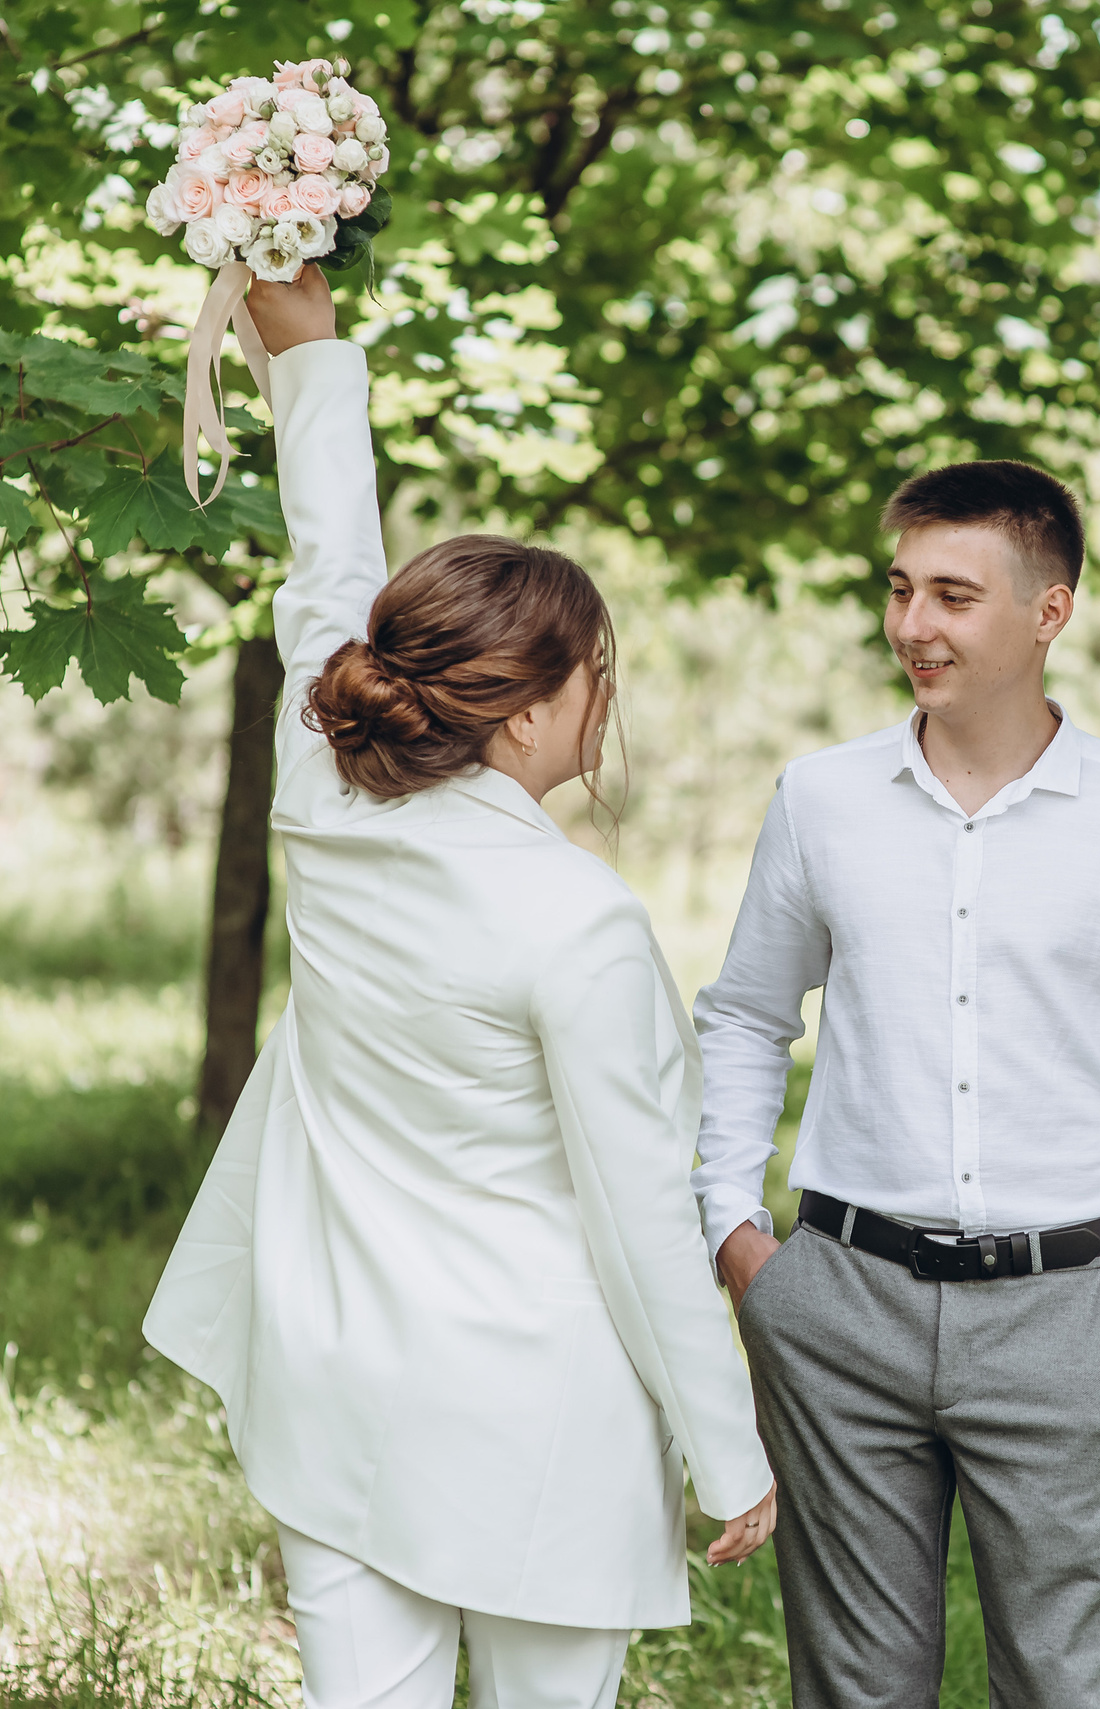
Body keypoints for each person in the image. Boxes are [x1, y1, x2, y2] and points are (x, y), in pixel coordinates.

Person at [143, 265, 778, 1709]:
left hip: (332, 1380)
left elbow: (327, 583)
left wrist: (309, 355)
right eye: (597, 672)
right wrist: (726, 1448)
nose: (606, 697)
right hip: (533, 1421)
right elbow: (639, 1218)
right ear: (534, 709)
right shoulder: (580, 920)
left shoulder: (321, 800)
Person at [691, 460, 1100, 1709]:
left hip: (1065, 1318)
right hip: (838, 1304)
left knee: (1067, 1690)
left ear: (1050, 610)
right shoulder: (821, 798)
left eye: (953, 595)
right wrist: (735, 1232)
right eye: (900, 589)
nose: (913, 624)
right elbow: (743, 1015)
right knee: (856, 1692)